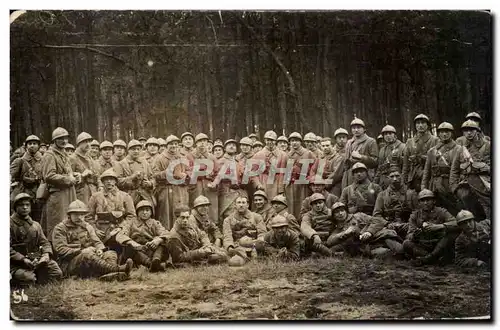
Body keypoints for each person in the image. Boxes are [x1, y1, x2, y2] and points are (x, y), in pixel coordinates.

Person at [52, 200, 133, 281]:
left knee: (110, 253)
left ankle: (110, 275)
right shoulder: (60, 228)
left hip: (89, 259)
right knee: (87, 254)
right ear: (69, 214)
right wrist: (81, 251)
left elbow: (97, 242)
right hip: (69, 264)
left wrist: (100, 250)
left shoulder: (87, 226)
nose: (80, 217)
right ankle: (118, 270)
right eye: (76, 214)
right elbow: (60, 249)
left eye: (82, 214)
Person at [10, 193, 62, 286]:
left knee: (56, 273)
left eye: (27, 205)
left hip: (35, 260)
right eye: (21, 205)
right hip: (16, 263)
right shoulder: (9, 224)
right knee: (29, 279)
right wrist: (23, 259)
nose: (25, 207)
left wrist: (45, 255)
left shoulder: (36, 225)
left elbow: (45, 242)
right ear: (15, 207)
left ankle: (37, 275)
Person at [85, 169, 136, 253]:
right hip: (101, 230)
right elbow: (88, 217)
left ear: (115, 181)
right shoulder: (95, 196)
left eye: (111, 179)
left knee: (124, 244)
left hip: (120, 228)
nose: (109, 181)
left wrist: (123, 227)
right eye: (106, 179)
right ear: (102, 182)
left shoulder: (125, 196)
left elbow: (132, 216)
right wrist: (95, 229)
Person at [326, 202, 402, 257]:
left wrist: (369, 232)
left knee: (399, 249)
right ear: (334, 216)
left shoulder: (358, 216)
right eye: (337, 212)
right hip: (368, 248)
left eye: (342, 210)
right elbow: (329, 241)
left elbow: (378, 221)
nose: (340, 213)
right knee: (385, 253)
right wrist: (345, 233)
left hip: (379, 238)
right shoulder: (338, 229)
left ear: (346, 211)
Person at [402, 189, 458, 265]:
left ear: (434, 201)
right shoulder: (415, 215)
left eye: (428, 200)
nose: (425, 203)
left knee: (450, 236)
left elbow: (456, 223)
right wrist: (415, 235)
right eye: (422, 201)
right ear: (419, 203)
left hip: (438, 243)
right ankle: (432, 258)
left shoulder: (441, 211)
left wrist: (439, 226)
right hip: (423, 245)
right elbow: (409, 235)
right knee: (406, 243)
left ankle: (428, 258)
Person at [450, 120, 491, 220]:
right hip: (467, 186)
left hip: (485, 185)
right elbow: (454, 169)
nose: (468, 133)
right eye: (465, 131)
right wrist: (454, 187)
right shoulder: (461, 149)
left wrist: (485, 167)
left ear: (477, 131)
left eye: (471, 130)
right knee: (471, 214)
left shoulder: (488, 146)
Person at [40, 127, 77, 237]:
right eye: (60, 138)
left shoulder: (63, 153)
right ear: (54, 140)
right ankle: (54, 248)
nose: (64, 141)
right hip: (57, 194)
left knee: (69, 220)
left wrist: (75, 175)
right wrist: (68, 179)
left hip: (68, 192)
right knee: (57, 222)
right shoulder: (50, 155)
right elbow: (49, 176)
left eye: (65, 138)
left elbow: (66, 171)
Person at [421, 122, 462, 215]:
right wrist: (424, 187)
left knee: (454, 210)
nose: (444, 134)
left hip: (451, 184)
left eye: (447, 132)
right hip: (435, 185)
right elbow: (426, 172)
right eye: (442, 132)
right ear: (438, 134)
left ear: (452, 133)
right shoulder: (432, 151)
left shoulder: (458, 149)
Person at [118, 200, 169, 272]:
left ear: (151, 212)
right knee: (128, 248)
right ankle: (152, 264)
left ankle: (156, 260)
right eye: (142, 210)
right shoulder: (130, 222)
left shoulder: (155, 223)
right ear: (137, 212)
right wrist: (132, 242)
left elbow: (166, 233)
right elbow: (120, 235)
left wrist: (157, 240)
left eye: (147, 210)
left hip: (150, 249)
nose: (144, 212)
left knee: (162, 244)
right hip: (136, 251)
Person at [153, 135, 190, 229]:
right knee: (166, 214)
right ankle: (165, 235)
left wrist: (186, 175)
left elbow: (188, 170)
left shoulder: (182, 157)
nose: (173, 146)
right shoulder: (160, 158)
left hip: (181, 189)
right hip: (166, 189)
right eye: (171, 144)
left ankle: (181, 233)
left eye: (176, 144)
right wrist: (168, 172)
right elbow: (154, 174)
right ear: (166, 146)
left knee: (181, 212)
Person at [373, 166, 417, 239]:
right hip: (388, 228)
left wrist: (409, 224)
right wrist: (387, 224)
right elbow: (376, 215)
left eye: (397, 176)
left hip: (408, 227)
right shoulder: (382, 195)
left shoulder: (411, 194)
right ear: (388, 178)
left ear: (402, 176)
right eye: (392, 176)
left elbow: (417, 212)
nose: (395, 179)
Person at [222, 196, 267, 262]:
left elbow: (262, 233)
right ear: (235, 205)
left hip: (253, 244)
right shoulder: (228, 220)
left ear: (247, 205)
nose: (241, 205)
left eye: (243, 202)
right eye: (239, 202)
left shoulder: (256, 217)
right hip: (237, 245)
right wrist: (230, 247)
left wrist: (258, 244)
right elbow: (227, 236)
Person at [188, 133, 220, 223]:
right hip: (195, 185)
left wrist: (214, 183)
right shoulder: (190, 156)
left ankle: (212, 229)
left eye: (204, 141)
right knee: (196, 206)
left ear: (207, 143)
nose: (202, 143)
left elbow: (218, 173)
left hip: (209, 186)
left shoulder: (212, 157)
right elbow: (187, 170)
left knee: (211, 209)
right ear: (196, 143)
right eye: (200, 141)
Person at [114, 139, 156, 208]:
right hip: (129, 195)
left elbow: (153, 177)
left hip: (145, 195)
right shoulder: (121, 164)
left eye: (138, 149)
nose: (136, 151)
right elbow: (118, 182)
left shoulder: (144, 162)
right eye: (133, 149)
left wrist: (150, 183)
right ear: (128, 150)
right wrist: (132, 177)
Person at [402, 114, 439, 191]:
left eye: (423, 123)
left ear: (428, 125)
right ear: (415, 125)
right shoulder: (410, 142)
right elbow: (405, 164)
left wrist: (421, 157)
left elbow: (437, 160)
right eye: (418, 123)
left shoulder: (434, 140)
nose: (420, 125)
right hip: (413, 176)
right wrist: (404, 180)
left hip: (429, 175)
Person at [286, 132, 317, 220]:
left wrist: (309, 178)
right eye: (292, 141)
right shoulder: (288, 154)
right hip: (291, 184)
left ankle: (304, 221)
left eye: (296, 141)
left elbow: (315, 167)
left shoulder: (308, 153)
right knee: (292, 206)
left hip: (304, 184)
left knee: (303, 204)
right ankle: (293, 222)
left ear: (300, 142)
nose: (294, 143)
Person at [10, 135, 43, 215]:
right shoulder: (19, 161)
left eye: (34, 143)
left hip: (38, 194)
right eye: (30, 143)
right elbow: (11, 176)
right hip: (23, 193)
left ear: (38, 146)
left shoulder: (44, 160)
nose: (32, 145)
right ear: (26, 146)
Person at [252, 130, 288, 202]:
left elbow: (285, 173)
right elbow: (253, 173)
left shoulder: (283, 155)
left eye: (272, 140)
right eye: (268, 140)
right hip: (263, 182)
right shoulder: (258, 155)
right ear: (265, 140)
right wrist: (258, 184)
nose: (270, 142)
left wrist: (281, 189)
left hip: (277, 183)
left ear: (275, 141)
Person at [342, 118, 378, 189]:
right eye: (353, 128)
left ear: (364, 129)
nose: (356, 130)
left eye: (358, 127)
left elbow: (375, 161)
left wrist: (361, 157)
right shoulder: (349, 142)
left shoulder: (370, 141)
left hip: (364, 176)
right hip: (349, 177)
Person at [70, 132, 100, 205]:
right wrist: (82, 175)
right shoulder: (72, 158)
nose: (88, 144)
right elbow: (69, 178)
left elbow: (97, 175)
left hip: (93, 192)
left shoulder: (90, 158)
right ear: (79, 143)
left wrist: (100, 186)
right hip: (80, 194)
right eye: (85, 142)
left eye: (89, 142)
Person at [374, 125, 405, 190]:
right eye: (385, 134)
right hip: (384, 181)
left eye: (390, 133)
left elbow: (406, 167)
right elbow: (379, 169)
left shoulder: (402, 147)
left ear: (395, 135)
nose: (388, 136)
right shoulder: (382, 150)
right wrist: (375, 182)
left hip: (397, 180)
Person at [326, 128, 348, 197]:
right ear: (336, 139)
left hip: (346, 179)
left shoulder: (350, 149)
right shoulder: (331, 151)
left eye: (344, 137)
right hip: (332, 182)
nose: (342, 139)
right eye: (339, 137)